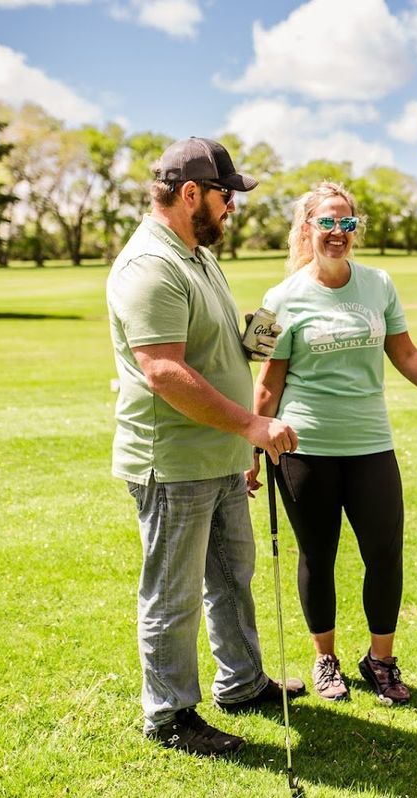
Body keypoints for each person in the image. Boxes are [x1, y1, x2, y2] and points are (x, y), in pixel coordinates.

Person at [247, 181, 417, 706]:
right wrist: (252, 448)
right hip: (303, 447)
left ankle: (380, 660)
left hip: (371, 444)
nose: (338, 233)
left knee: (384, 553)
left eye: (347, 223)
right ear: (306, 229)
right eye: (327, 223)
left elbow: (404, 352)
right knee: (318, 554)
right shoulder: (279, 298)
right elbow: (266, 381)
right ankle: (325, 659)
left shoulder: (379, 284)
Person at [107, 136, 304, 757]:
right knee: (174, 593)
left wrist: (270, 324)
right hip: (172, 464)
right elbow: (163, 371)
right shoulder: (151, 266)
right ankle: (169, 717)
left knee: (230, 576)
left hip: (215, 456)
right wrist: (252, 428)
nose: (232, 209)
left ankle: (242, 683)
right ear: (191, 193)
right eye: (226, 197)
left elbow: (221, 348)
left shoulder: (197, 256)